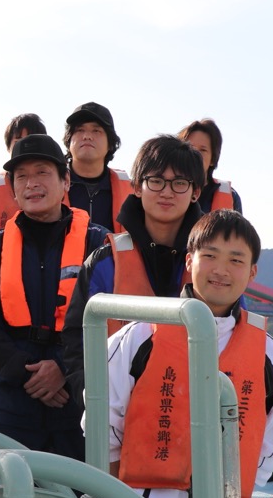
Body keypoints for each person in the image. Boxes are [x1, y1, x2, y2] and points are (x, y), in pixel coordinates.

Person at [97, 209, 273, 498]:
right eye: (210, 256)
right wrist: (123, 494)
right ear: (189, 261)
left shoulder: (268, 353)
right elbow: (100, 420)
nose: (221, 270)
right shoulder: (140, 335)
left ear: (252, 272)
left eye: (236, 260)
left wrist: (235, 489)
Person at [0, 135, 108, 457]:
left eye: (42, 172)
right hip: (10, 402)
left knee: (79, 488)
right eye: (22, 176)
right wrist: (27, 373)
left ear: (65, 180)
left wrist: (62, 369)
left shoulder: (99, 246)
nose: (32, 183)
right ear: (13, 188)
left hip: (78, 402)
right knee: (7, 485)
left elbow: (112, 326)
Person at [62, 135, 205, 400]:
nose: (167, 192)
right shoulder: (105, 262)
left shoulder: (211, 264)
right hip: (116, 410)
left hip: (192, 410)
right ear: (138, 187)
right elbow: (76, 342)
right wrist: (98, 405)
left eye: (180, 183)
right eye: (156, 181)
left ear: (195, 192)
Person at [64, 102, 130, 231]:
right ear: (69, 139)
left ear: (110, 143)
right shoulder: (49, 185)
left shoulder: (132, 192)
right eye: (80, 130)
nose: (87, 136)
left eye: (96, 131)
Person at [0, 113, 48, 229]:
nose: (25, 147)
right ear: (8, 147)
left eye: (31, 141)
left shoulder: (63, 183)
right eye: (18, 142)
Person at [178, 118, 242, 214]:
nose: (196, 155)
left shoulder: (232, 196)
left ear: (212, 159)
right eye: (190, 148)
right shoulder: (166, 191)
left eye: (203, 150)